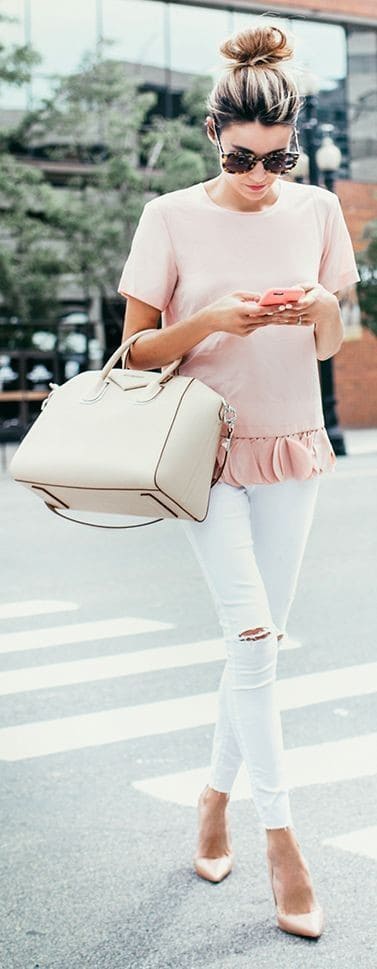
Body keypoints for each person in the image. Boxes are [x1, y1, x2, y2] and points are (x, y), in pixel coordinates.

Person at [117, 23, 360, 940]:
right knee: (251, 638)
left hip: (292, 444)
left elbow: (333, 347)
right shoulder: (169, 216)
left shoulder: (318, 213)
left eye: (278, 157)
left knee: (257, 642)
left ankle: (211, 799)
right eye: (242, 157)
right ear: (213, 137)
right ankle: (282, 839)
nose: (260, 175)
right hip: (203, 452)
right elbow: (136, 353)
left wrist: (326, 307)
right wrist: (211, 320)